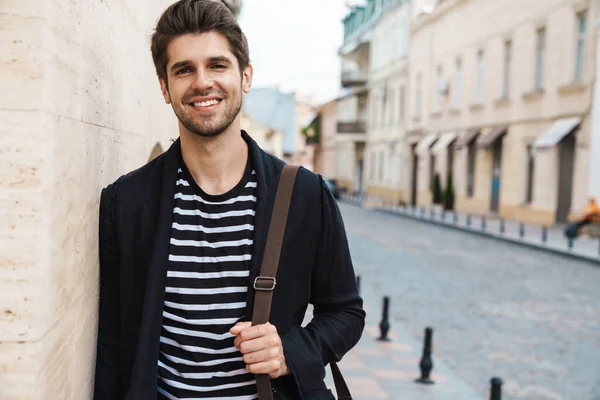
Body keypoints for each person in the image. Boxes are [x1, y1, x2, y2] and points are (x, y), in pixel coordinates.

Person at [93, 1, 365, 399]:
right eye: (184, 69)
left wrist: (290, 351)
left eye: (217, 65)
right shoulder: (126, 202)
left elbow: (345, 313)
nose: (202, 82)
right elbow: (112, 346)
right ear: (165, 88)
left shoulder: (306, 195)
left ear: (246, 75)